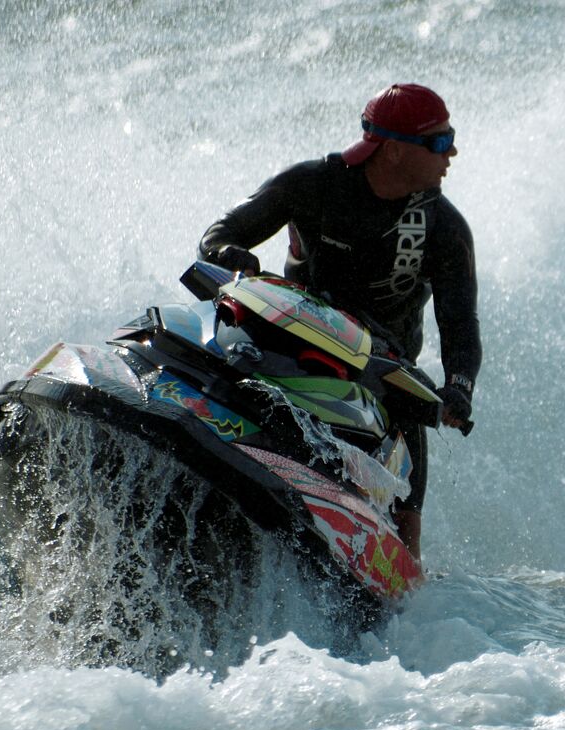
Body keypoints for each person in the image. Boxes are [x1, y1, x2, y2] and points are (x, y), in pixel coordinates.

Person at [197, 83, 480, 561]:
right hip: (294, 333)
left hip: (381, 370)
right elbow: (222, 233)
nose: (451, 151)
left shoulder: (444, 229)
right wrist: (229, 254)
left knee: (412, 420)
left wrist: (459, 387)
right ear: (392, 150)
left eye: (450, 138)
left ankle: (405, 565)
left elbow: (460, 322)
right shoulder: (314, 184)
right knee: (227, 331)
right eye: (437, 142)